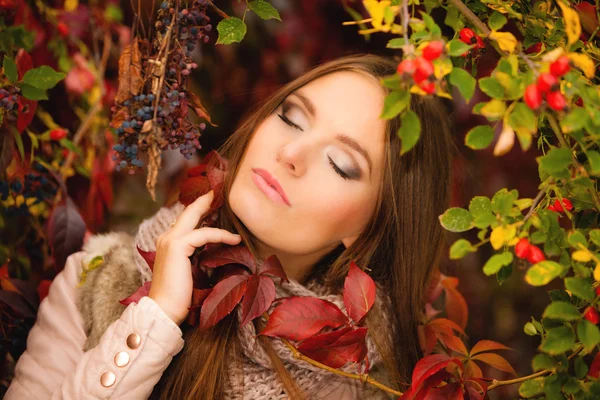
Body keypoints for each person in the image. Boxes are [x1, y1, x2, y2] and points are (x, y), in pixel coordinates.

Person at [5, 53, 454, 399]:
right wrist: (154, 322)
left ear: (371, 226)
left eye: (340, 164)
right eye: (291, 117)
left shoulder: (370, 382)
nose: (291, 152)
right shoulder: (100, 280)